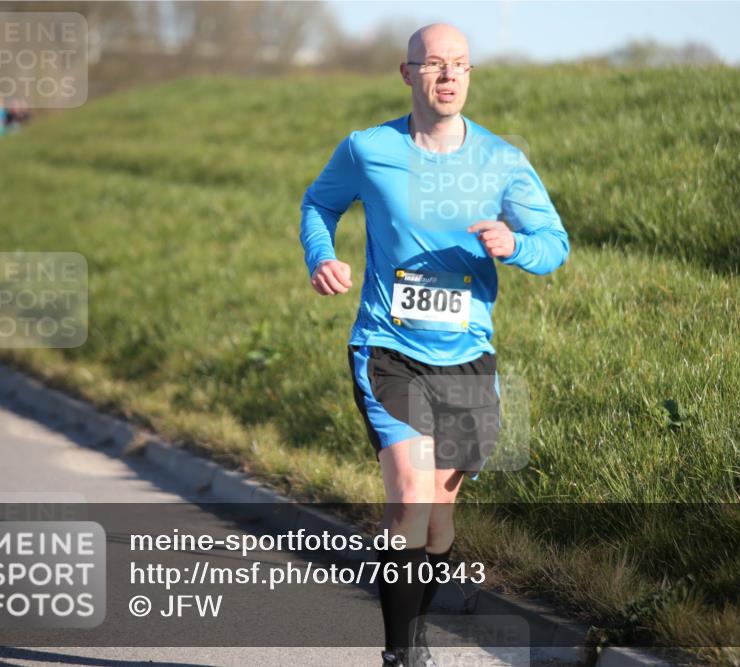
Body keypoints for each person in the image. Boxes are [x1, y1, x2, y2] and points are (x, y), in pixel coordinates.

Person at [299, 23, 569, 667]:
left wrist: (515, 245)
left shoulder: (502, 160)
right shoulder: (368, 149)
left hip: (467, 357)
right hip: (387, 347)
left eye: (460, 64)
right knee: (410, 497)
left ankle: (415, 635)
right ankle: (399, 655)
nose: (448, 75)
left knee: (440, 516)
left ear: (470, 74)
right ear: (407, 72)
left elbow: (553, 245)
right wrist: (321, 256)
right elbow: (318, 205)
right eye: (434, 64)